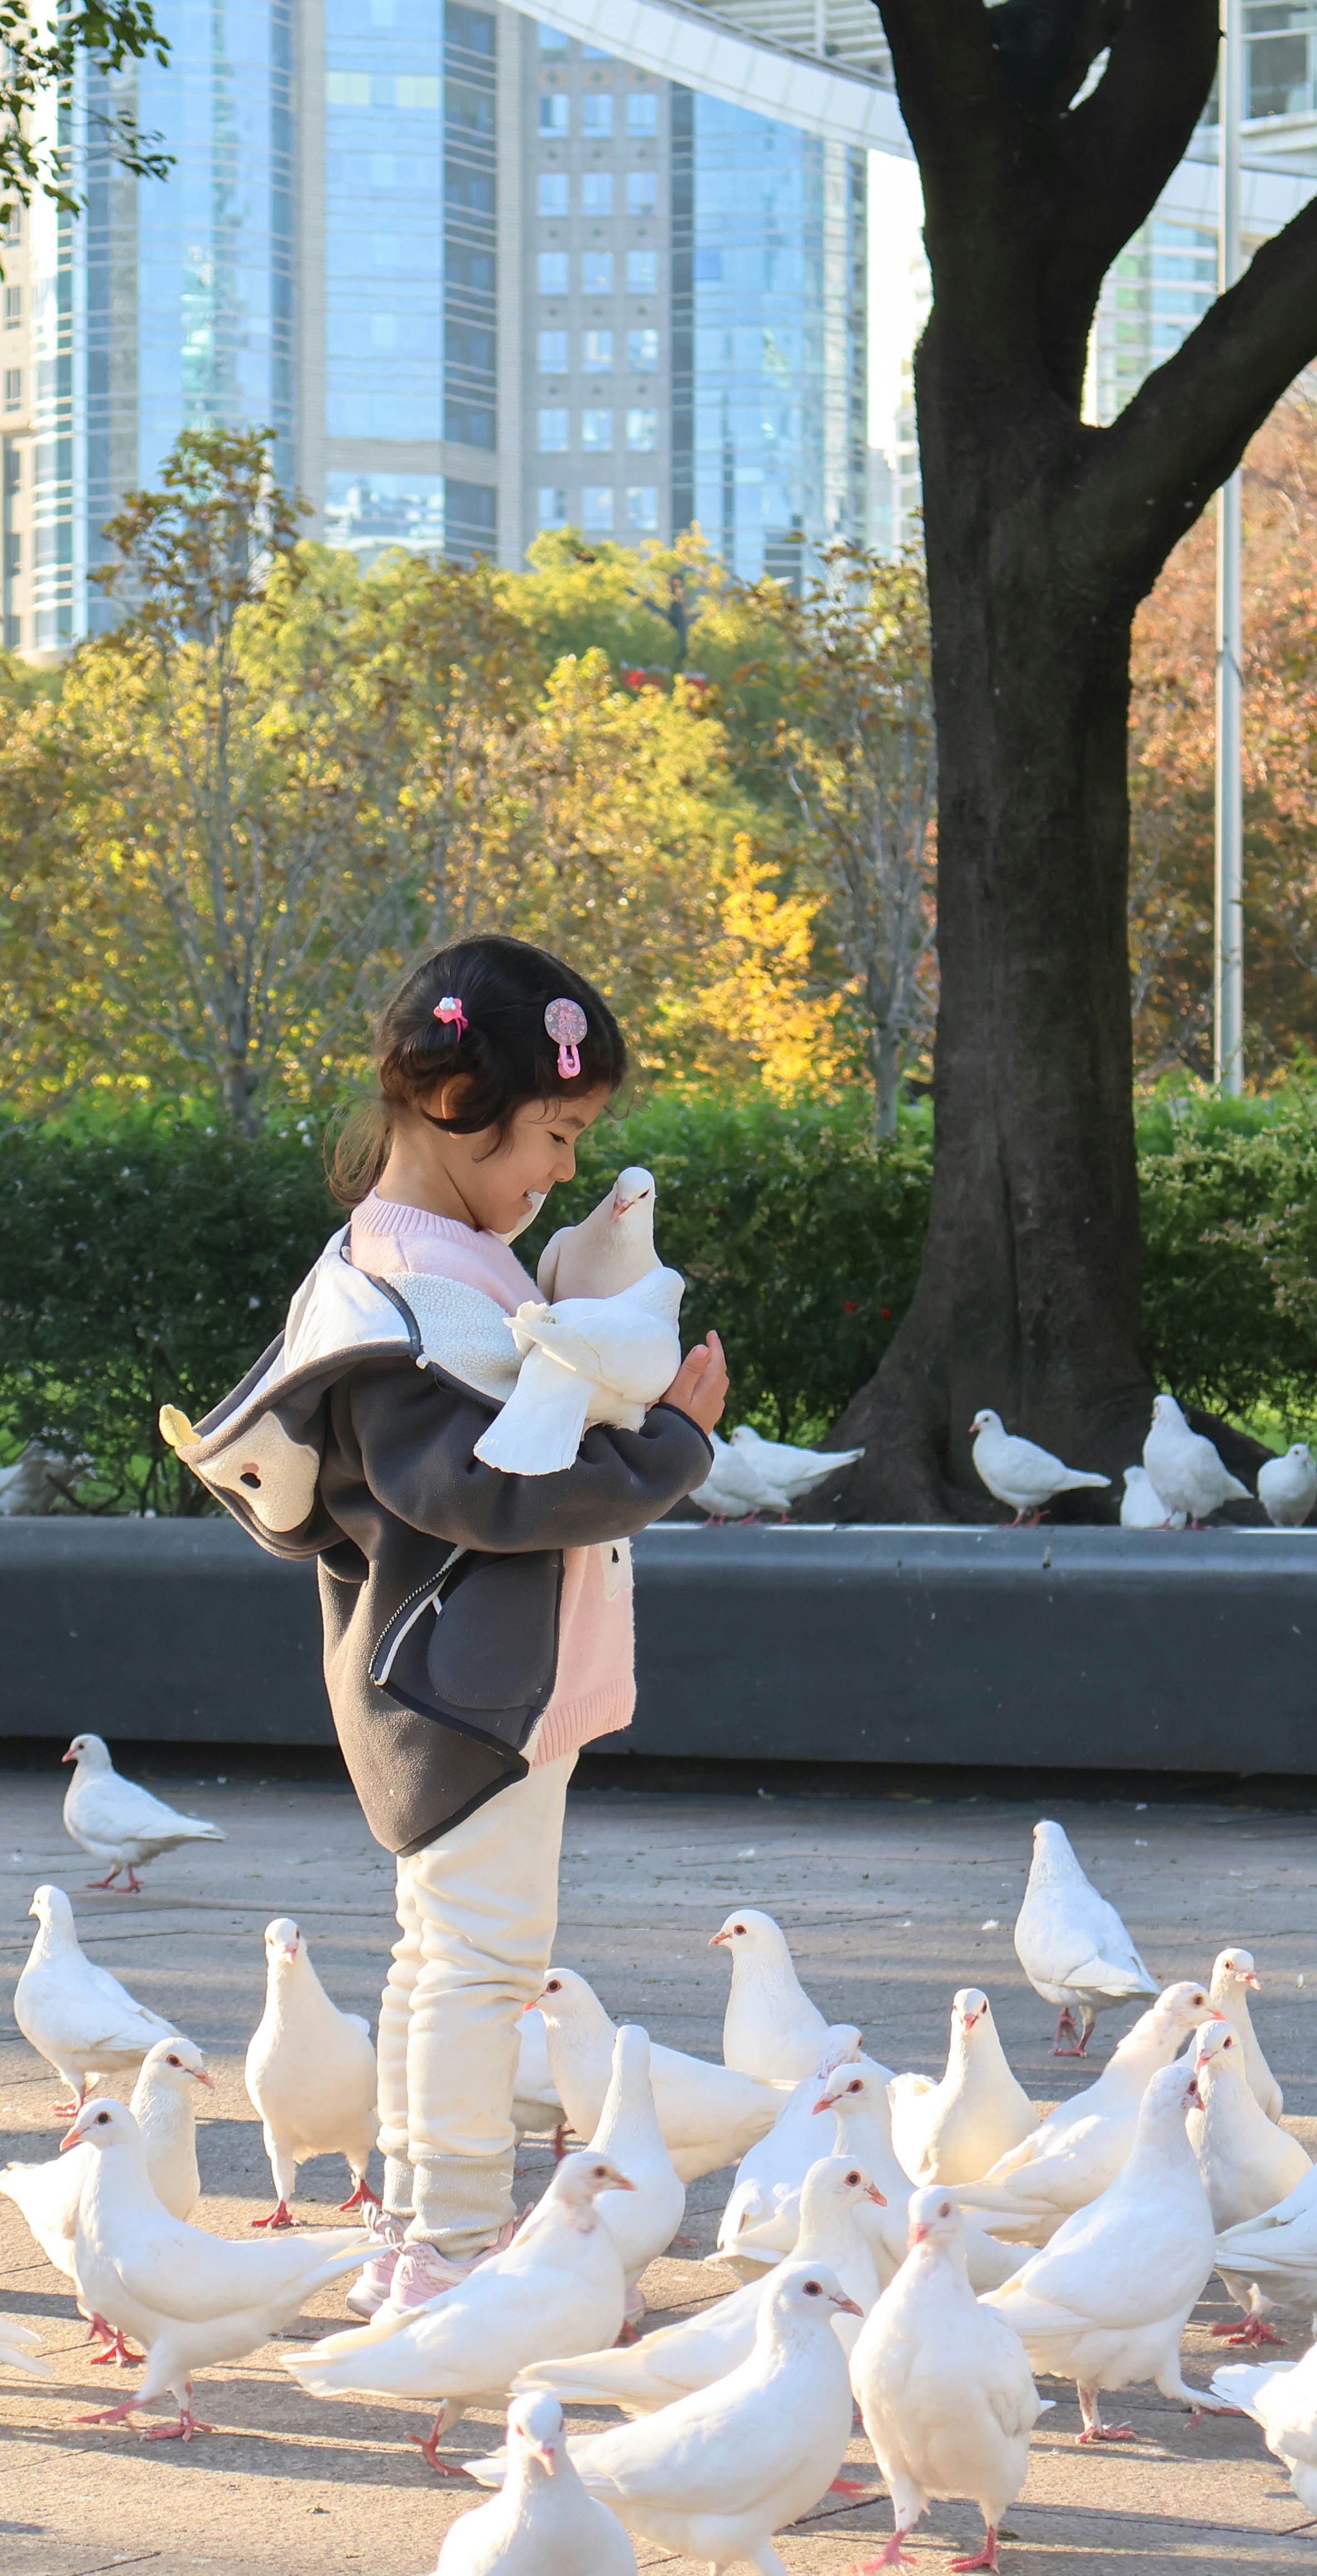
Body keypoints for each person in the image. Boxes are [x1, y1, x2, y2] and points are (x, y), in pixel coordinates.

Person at [162, 935, 724, 2315]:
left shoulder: (444, 1258)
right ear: (459, 1102)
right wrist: (671, 1445)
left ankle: (415, 2230)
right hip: (468, 1694)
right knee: (480, 1964)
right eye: (555, 1133)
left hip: (473, 1682)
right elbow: (473, 1490)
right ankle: (458, 2251)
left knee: (443, 1958)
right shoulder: (406, 1294)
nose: (564, 1170)